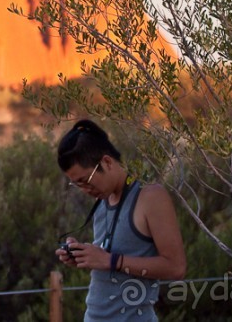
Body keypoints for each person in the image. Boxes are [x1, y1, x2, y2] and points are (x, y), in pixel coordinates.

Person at [55, 119, 186, 321]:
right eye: (76, 184)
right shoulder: (102, 200)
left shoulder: (150, 196)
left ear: (107, 162)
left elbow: (176, 267)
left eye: (85, 181)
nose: (83, 190)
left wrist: (110, 260)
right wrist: (84, 254)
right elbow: (112, 254)